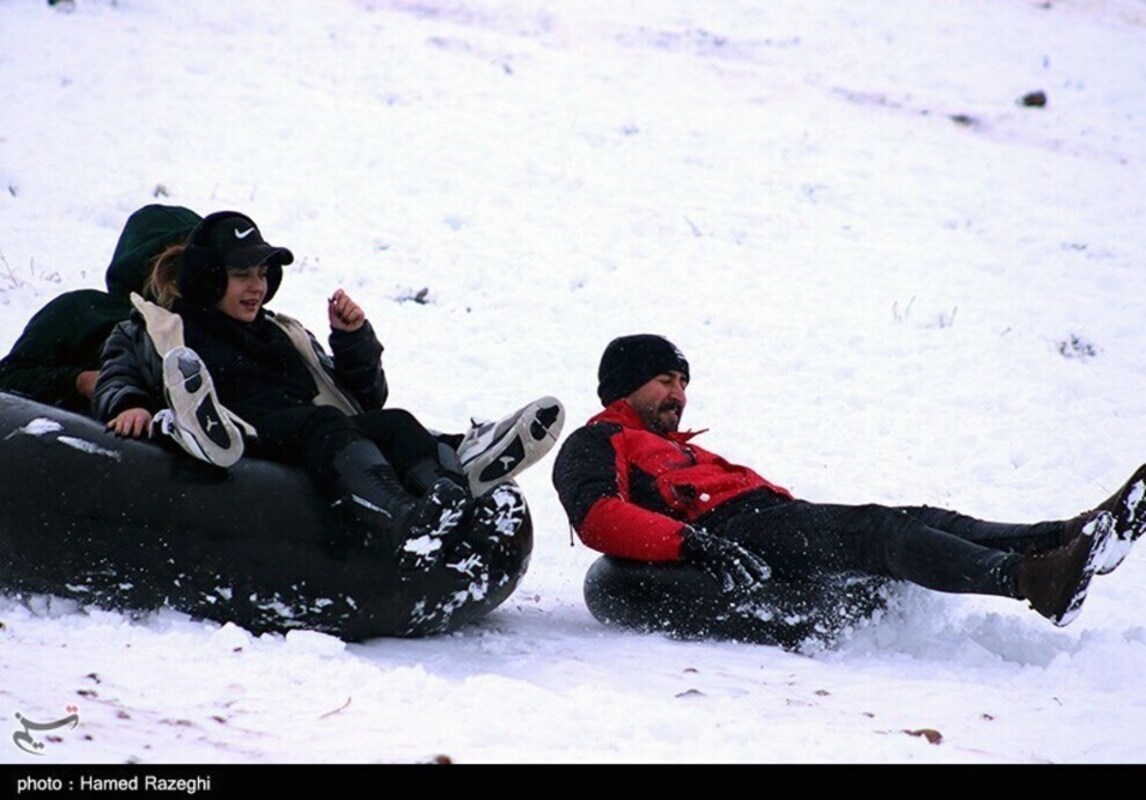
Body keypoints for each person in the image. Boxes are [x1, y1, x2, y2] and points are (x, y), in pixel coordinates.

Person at [553, 334, 1146, 628]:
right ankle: (1030, 581)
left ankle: (1070, 534)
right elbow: (598, 516)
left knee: (918, 519)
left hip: (761, 522)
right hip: (732, 533)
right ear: (624, 385)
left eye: (683, 383)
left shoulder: (678, 448)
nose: (679, 395)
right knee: (881, 532)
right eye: (664, 380)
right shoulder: (598, 441)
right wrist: (693, 544)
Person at [93, 210, 561, 571]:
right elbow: (119, 372)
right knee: (324, 424)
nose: (257, 287)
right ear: (210, 277)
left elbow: (362, 398)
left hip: (305, 431)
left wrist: (352, 340)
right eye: (242, 276)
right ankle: (401, 519)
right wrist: (130, 404)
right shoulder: (158, 328)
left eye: (262, 275)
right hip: (247, 437)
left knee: (393, 423)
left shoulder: (281, 332)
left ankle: (451, 489)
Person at [0, 204, 202, 412]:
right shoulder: (83, 310)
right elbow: (9, 379)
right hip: (88, 434)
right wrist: (79, 381)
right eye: (173, 262)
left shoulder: (212, 325)